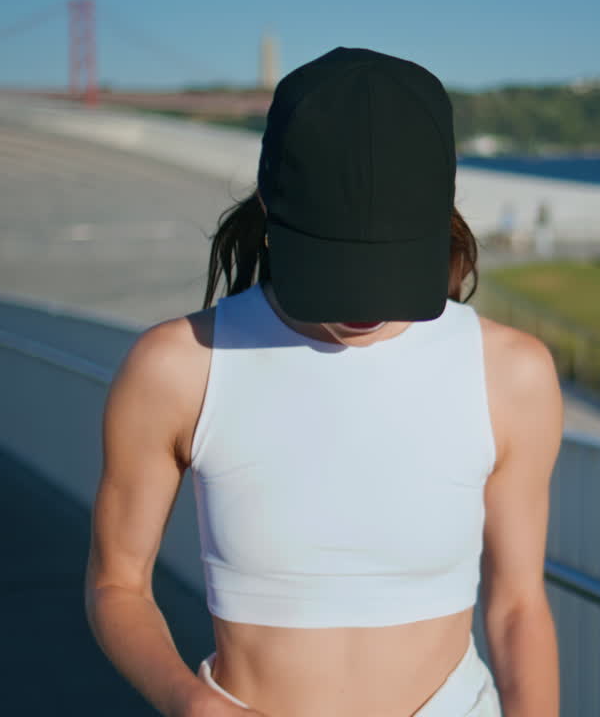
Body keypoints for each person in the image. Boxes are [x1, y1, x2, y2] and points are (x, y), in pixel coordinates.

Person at [85, 47, 562, 717]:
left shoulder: (511, 374)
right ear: (271, 211)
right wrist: (190, 702)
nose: (363, 306)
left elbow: (518, 606)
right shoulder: (179, 365)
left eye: (387, 265)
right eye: (336, 266)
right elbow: (117, 584)